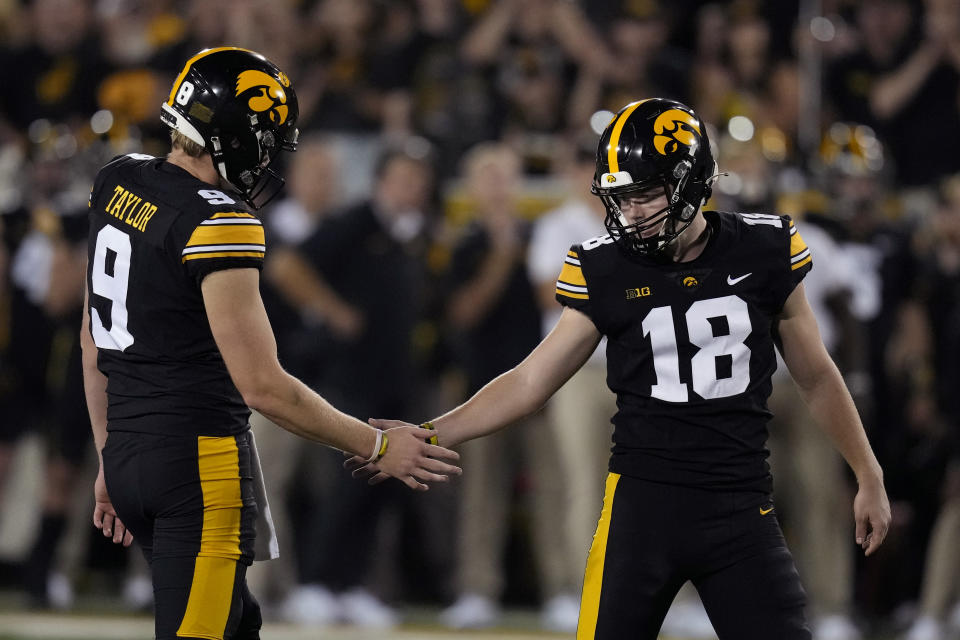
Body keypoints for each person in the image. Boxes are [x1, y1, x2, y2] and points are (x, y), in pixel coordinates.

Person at [351, 98, 892, 640]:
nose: (630, 212)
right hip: (639, 511)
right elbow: (531, 381)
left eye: (645, 194)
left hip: (741, 509)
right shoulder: (604, 265)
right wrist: (430, 432)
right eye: (621, 198)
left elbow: (816, 375)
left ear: (693, 178)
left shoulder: (766, 247)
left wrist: (868, 472)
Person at [80, 47, 460, 640]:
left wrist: (110, 451)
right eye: (264, 141)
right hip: (194, 463)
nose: (269, 158)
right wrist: (379, 444)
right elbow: (263, 387)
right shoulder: (219, 221)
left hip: (131, 451)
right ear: (233, 135)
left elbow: (93, 336)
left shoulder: (118, 180)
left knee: (237, 627)